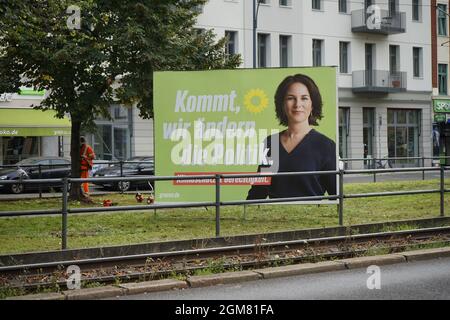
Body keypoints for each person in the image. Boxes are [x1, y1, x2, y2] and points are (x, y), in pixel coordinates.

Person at [247, 74, 336, 199]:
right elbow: (259, 191)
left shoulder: (326, 145)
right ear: (282, 104)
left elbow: (336, 195)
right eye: (290, 98)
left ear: (312, 104)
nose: (297, 104)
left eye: (304, 98)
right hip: (274, 216)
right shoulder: (271, 143)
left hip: (310, 216)